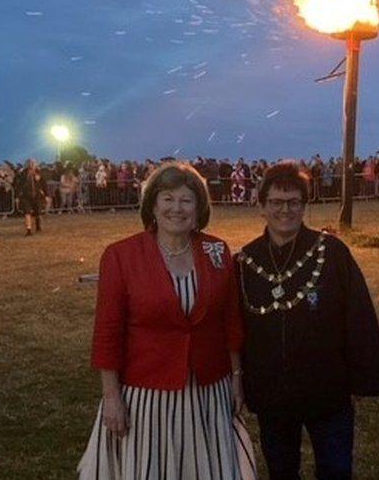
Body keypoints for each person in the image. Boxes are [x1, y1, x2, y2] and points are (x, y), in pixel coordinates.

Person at [79, 161, 256, 480]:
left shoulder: (216, 250)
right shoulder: (121, 256)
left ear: (199, 208)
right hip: (148, 396)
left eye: (187, 200)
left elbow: (230, 321)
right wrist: (111, 395)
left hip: (208, 393)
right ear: (153, 205)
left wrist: (236, 376)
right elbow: (108, 331)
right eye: (168, 198)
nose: (177, 208)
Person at [236, 162, 379, 480]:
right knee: (281, 470)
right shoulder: (246, 262)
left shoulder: (332, 252)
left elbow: (359, 318)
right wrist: (241, 381)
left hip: (328, 390)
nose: (284, 210)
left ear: (305, 205)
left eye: (293, 202)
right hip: (271, 394)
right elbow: (235, 329)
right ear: (261, 206)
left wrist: (362, 378)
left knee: (335, 470)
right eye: (276, 202)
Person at [16, 159, 47, 236]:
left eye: (33, 163)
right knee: (27, 212)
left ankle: (38, 225)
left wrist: (46, 194)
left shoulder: (39, 173)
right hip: (26, 196)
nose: (31, 165)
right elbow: (19, 185)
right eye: (30, 163)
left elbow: (44, 184)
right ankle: (29, 229)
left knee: (38, 212)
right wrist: (17, 196)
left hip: (37, 195)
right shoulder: (23, 174)